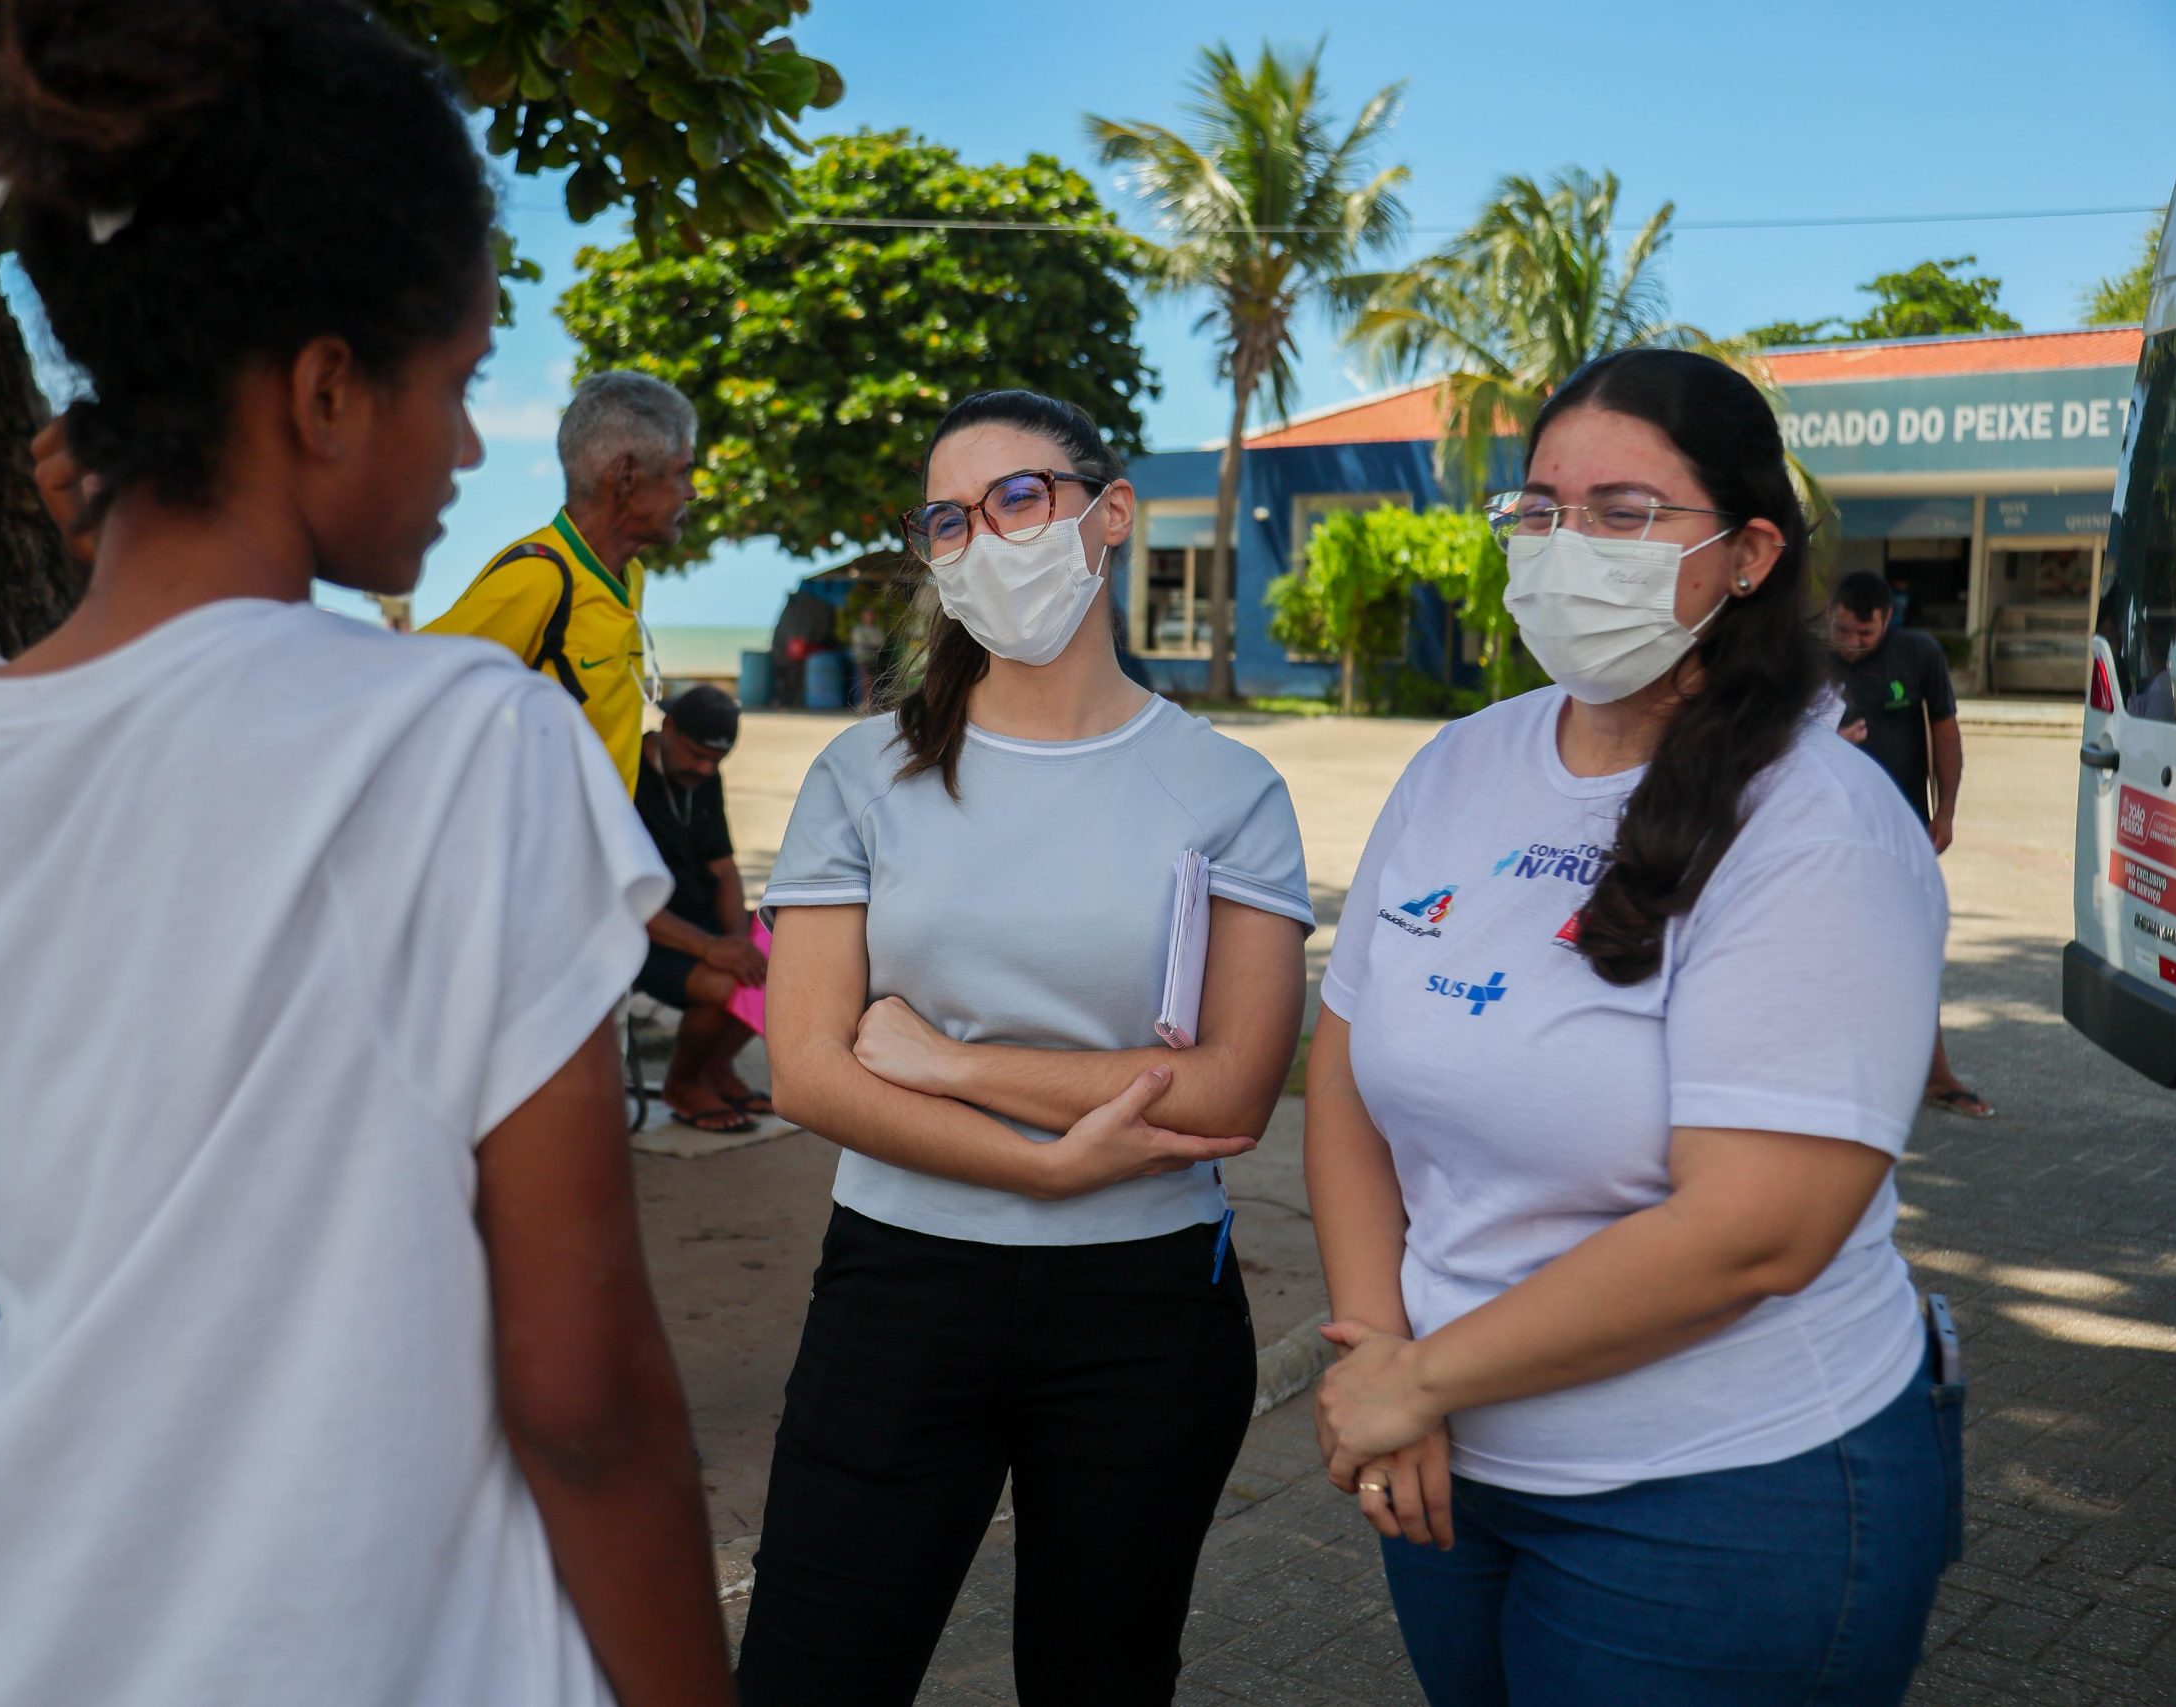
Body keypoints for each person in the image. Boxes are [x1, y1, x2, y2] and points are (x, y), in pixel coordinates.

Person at [0, 5, 728, 1703]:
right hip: (367, 1645)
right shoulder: (459, 741)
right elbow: (586, 1394)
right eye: (461, 381)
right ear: (327, 388)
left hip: (6, 1635)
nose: (472, 449)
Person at [1304, 349, 1959, 1707]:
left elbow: (1757, 1226)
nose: (1563, 545)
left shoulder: (1818, 826)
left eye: (1622, 511)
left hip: (1725, 1496)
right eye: (1540, 508)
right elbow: (1346, 1073)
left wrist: (1422, 1373)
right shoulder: (1458, 767)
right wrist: (1374, 1338)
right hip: (1449, 1469)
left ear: (1749, 552)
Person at [739, 390, 1315, 1704]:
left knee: (1101, 1679)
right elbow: (811, 1065)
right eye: (949, 517)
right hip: (898, 1294)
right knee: (809, 1673)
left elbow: (1230, 1090)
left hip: (1145, 1313)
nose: (984, 537)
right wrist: (1046, 1163)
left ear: (1110, 515)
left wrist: (949, 1064)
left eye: (1020, 498)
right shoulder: (861, 771)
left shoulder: (1229, 787)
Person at [425, 369, 698, 794]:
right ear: (626, 474)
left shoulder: (630, 577)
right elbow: (411, 691)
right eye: (683, 472)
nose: (692, 492)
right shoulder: (538, 577)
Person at [1830, 569, 1992, 1119]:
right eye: (1845, 631)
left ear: (1888, 622)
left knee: (1914, 951)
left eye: (1865, 635)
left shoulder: (1918, 654)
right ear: (1831, 615)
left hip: (1900, 834)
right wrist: (1822, 740)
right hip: (1820, 837)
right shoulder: (1800, 658)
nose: (1852, 644)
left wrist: (1944, 812)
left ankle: (1935, 1076)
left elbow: (1945, 731)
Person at [634, 685, 772, 1133]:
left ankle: (716, 1068)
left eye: (716, 760)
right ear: (667, 727)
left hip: (698, 924)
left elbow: (725, 870)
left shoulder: (704, 777)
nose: (705, 769)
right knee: (724, 986)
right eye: (696, 755)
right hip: (636, 932)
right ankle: (683, 1082)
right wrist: (713, 948)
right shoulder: (626, 773)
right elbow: (624, 897)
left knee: (782, 957)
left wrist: (734, 941)